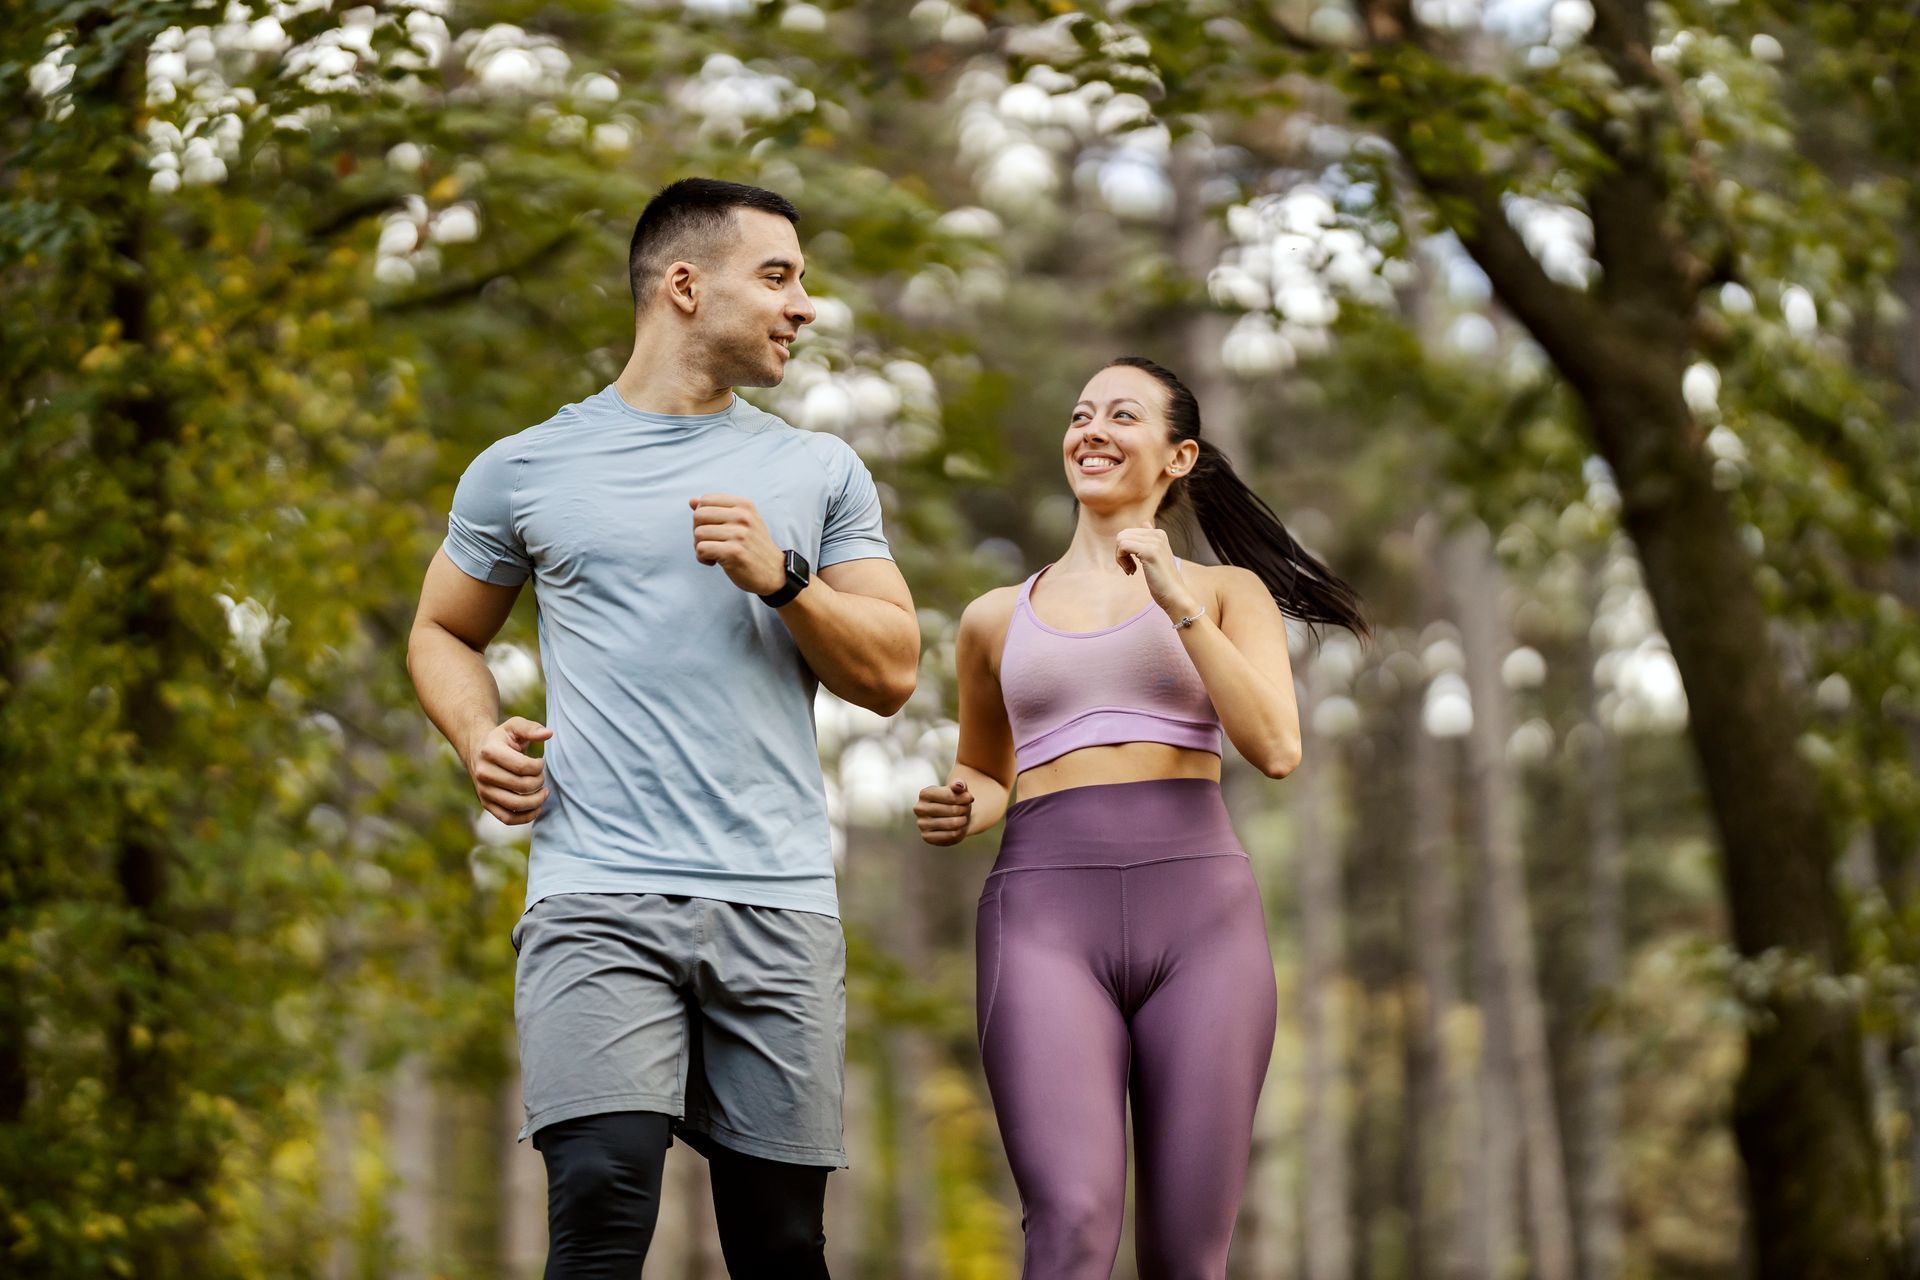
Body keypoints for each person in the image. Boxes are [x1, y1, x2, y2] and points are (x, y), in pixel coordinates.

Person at [407, 177, 919, 1278]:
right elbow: (442, 630)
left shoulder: (817, 470)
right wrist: (476, 735)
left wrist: (787, 581)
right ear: (685, 286)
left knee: (782, 1244)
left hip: (776, 896)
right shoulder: (525, 467)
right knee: (599, 1199)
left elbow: (892, 672)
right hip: (596, 889)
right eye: (778, 276)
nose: (805, 305)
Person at [915, 356, 1368, 1278]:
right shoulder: (994, 618)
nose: (1091, 430)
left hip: (1203, 923)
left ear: (1177, 456)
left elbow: (1275, 748)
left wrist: (1176, 599)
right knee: (1075, 1223)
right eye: (1081, 413)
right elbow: (988, 770)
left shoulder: (1226, 593)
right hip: (1043, 917)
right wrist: (964, 804)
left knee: (1187, 1256)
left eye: (1123, 415)